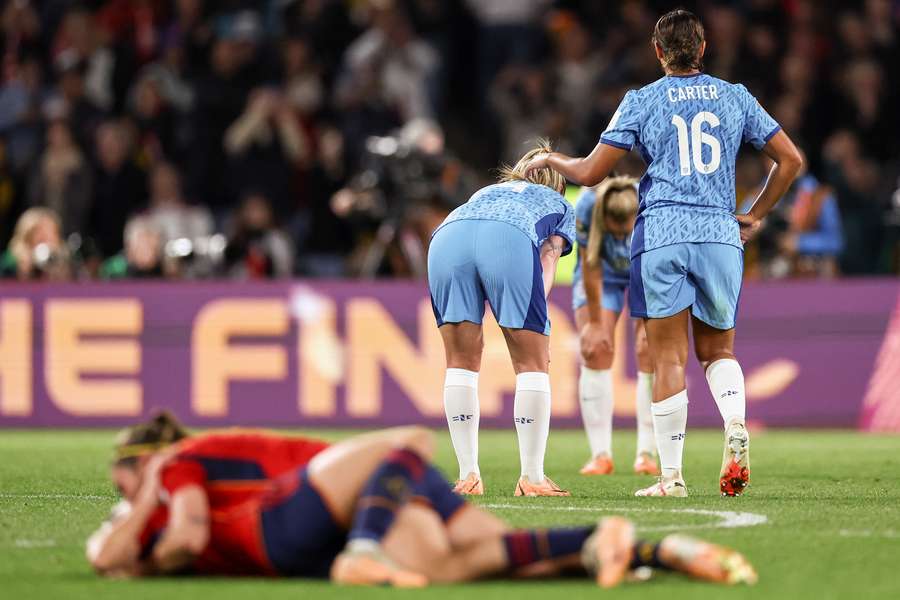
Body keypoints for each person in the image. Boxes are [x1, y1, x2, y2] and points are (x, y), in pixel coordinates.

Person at [524, 10, 803, 497]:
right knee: (719, 351)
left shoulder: (643, 100)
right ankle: (734, 420)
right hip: (720, 232)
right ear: (704, 48)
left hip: (663, 233)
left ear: (657, 51)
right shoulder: (735, 96)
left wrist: (550, 158)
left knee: (668, 356)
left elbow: (590, 172)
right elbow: (791, 160)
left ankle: (671, 477)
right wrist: (755, 213)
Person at [87, 417, 758, 588]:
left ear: (138, 461)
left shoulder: (175, 468)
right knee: (406, 444)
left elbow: (126, 551)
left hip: (326, 508)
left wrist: (146, 493)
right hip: (346, 503)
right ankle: (364, 548)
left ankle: (647, 549)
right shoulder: (178, 476)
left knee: (467, 560)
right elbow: (121, 553)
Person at [427, 140, 575, 497]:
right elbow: (548, 262)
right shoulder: (559, 203)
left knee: (460, 362)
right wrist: (538, 331)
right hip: (507, 237)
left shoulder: (486, 190)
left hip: (448, 235)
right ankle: (533, 478)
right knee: (531, 364)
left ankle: (468, 477)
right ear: (558, 182)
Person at [572, 176, 657, 477]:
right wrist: (595, 323)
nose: (621, 240)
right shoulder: (585, 207)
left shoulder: (653, 200)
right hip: (602, 274)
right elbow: (590, 267)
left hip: (644, 272)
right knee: (594, 348)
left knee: (650, 350)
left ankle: (646, 452)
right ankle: (601, 455)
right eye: (614, 232)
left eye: (626, 232)